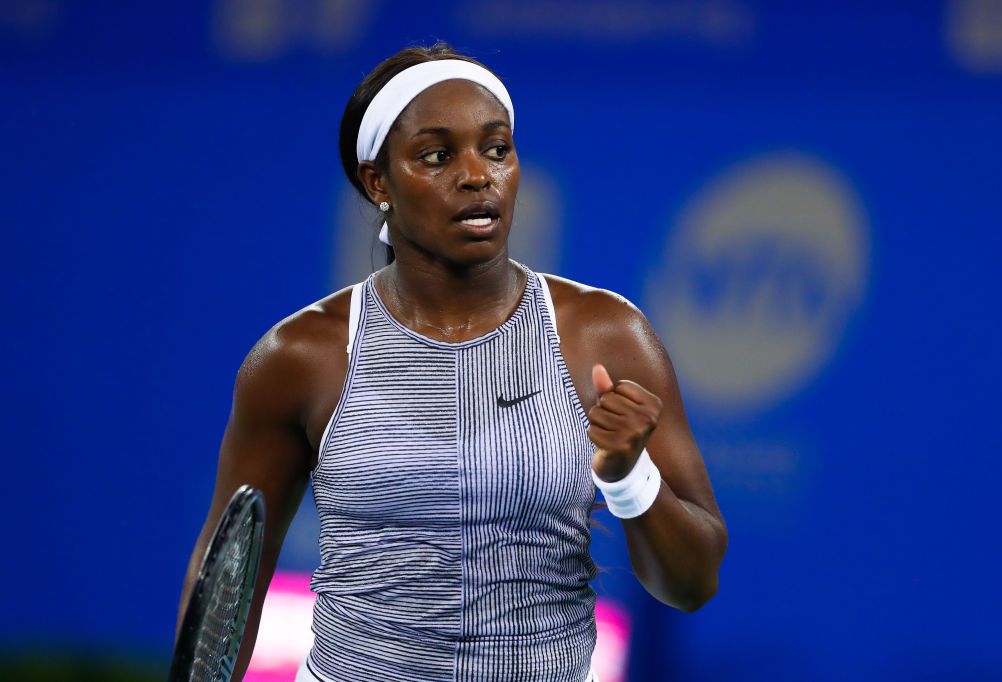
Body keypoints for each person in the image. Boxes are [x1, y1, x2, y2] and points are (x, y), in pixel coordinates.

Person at [176, 42, 728, 682]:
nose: (477, 175)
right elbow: (228, 575)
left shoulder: (608, 336)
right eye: (437, 156)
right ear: (376, 182)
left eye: (497, 150)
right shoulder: (300, 358)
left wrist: (630, 478)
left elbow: (693, 584)